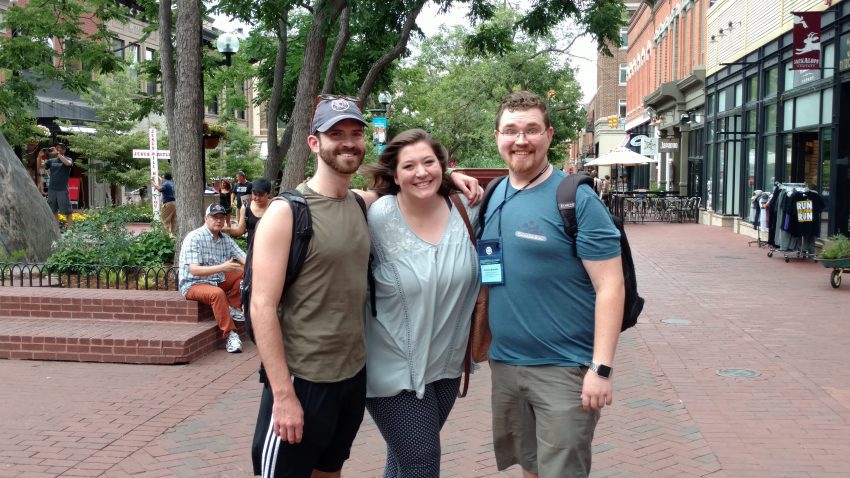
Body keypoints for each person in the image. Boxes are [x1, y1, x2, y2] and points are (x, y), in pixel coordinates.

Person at [250, 95, 482, 478]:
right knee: (420, 462)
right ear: (314, 142)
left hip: (352, 378)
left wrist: (447, 175)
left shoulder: (362, 205)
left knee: (336, 472)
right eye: (335, 133)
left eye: (355, 133)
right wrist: (282, 393)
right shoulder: (286, 211)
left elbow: (411, 186)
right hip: (304, 378)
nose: (348, 142)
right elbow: (261, 306)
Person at [481, 91, 625, 477]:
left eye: (531, 130)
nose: (521, 140)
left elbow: (611, 286)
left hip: (564, 370)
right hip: (507, 366)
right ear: (497, 136)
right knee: (530, 468)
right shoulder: (493, 194)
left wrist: (601, 369)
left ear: (549, 134)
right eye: (511, 130)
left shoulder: (574, 199)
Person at [360, 129, 480, 477]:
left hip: (446, 364)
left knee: (403, 462)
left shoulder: (466, 210)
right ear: (394, 175)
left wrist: (456, 176)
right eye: (409, 166)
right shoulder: (377, 216)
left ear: (442, 166)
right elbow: (333, 203)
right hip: (390, 367)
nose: (421, 172)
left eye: (429, 162)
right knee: (422, 463)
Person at [178, 204, 247, 354]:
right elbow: (194, 270)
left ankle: (233, 307)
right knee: (217, 294)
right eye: (215, 217)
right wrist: (222, 267)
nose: (219, 220)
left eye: (222, 217)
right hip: (193, 284)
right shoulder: (194, 237)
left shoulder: (225, 239)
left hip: (217, 279)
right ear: (206, 218)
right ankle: (230, 335)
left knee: (245, 272)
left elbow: (245, 259)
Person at [224, 178, 272, 247]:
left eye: (261, 195)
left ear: (268, 194)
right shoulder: (246, 207)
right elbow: (240, 231)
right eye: (255, 194)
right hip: (252, 248)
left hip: (271, 248)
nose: (257, 198)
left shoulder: (274, 206)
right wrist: (226, 229)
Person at [42, 143, 74, 229]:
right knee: (53, 210)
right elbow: (41, 167)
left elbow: (68, 164)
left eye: (60, 148)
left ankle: (70, 231)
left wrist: (58, 154)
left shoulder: (68, 159)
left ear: (64, 150)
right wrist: (39, 157)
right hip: (52, 189)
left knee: (67, 211)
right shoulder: (51, 161)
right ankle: (57, 230)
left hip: (62, 189)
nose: (58, 150)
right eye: (57, 148)